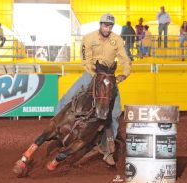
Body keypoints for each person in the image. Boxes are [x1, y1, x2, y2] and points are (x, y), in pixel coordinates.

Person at [54, 13, 131, 165]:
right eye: (104, 25)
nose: (106, 28)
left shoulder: (117, 40)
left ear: (112, 27)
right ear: (100, 24)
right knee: (68, 97)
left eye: (109, 26)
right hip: (91, 74)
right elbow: (86, 60)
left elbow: (125, 59)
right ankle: (55, 128)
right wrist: (96, 75)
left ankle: (107, 147)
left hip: (108, 76)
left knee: (115, 112)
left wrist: (124, 74)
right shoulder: (88, 38)